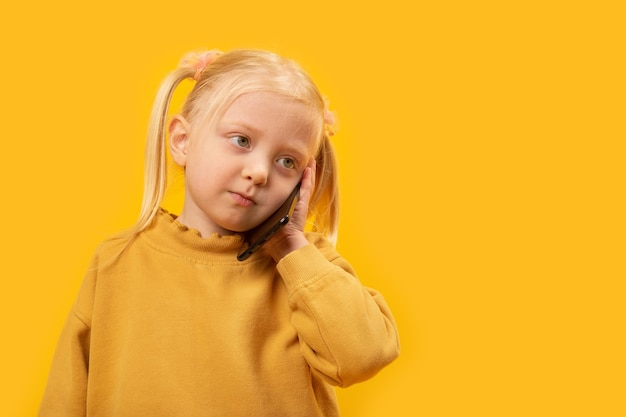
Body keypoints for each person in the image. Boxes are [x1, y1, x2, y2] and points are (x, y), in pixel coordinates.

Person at [39, 48, 400, 416]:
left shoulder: (309, 266)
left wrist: (292, 249)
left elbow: (363, 356)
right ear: (182, 141)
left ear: (304, 180)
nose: (259, 172)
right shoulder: (116, 261)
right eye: (241, 140)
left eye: (287, 161)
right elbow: (65, 397)